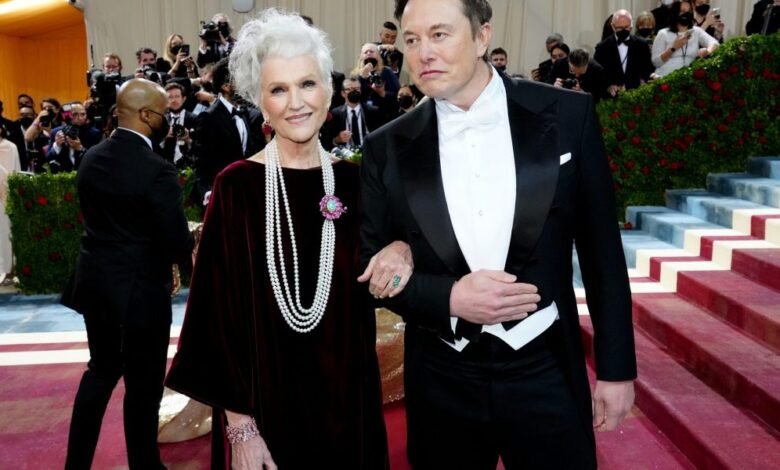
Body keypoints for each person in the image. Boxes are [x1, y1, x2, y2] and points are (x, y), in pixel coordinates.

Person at [360, 0, 637, 468]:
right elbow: (369, 265)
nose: (423, 53)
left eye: (439, 34)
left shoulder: (568, 114)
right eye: (412, 40)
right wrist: (449, 297)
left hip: (546, 367)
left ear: (482, 36)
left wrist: (616, 369)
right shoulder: (385, 145)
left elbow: (602, 253)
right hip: (441, 378)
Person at [166, 9, 410, 469]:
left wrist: (403, 248)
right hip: (266, 414)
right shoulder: (236, 187)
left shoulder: (355, 182)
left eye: (307, 84)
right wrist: (241, 428)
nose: (296, 102)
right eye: (278, 89)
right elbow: (213, 320)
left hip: (350, 411)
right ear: (260, 100)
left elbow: (391, 267)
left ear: (328, 91)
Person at [61, 78, 195, 470]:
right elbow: (174, 239)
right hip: (142, 293)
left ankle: (76, 465)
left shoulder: (91, 157)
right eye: (165, 114)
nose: (168, 120)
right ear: (147, 115)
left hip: (97, 286)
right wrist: (189, 258)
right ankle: (145, 465)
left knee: (100, 372)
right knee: (144, 385)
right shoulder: (157, 170)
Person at [594, 10, 654, 95]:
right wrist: (608, 86)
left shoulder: (642, 44)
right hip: (612, 97)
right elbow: (598, 74)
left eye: (626, 27)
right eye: (620, 28)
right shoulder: (602, 47)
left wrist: (644, 80)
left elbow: (648, 68)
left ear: (631, 25)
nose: (623, 30)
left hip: (636, 94)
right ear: (613, 26)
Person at [652, 8, 718, 77]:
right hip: (665, 76)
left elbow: (714, 43)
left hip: (688, 76)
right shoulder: (663, 33)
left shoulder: (696, 31)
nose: (685, 14)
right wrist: (673, 48)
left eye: (688, 11)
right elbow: (656, 62)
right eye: (682, 11)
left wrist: (707, 51)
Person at [0, 124, 21, 283]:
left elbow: (15, 173)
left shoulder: (10, 147)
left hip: (5, 198)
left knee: (6, 232)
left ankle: (8, 270)